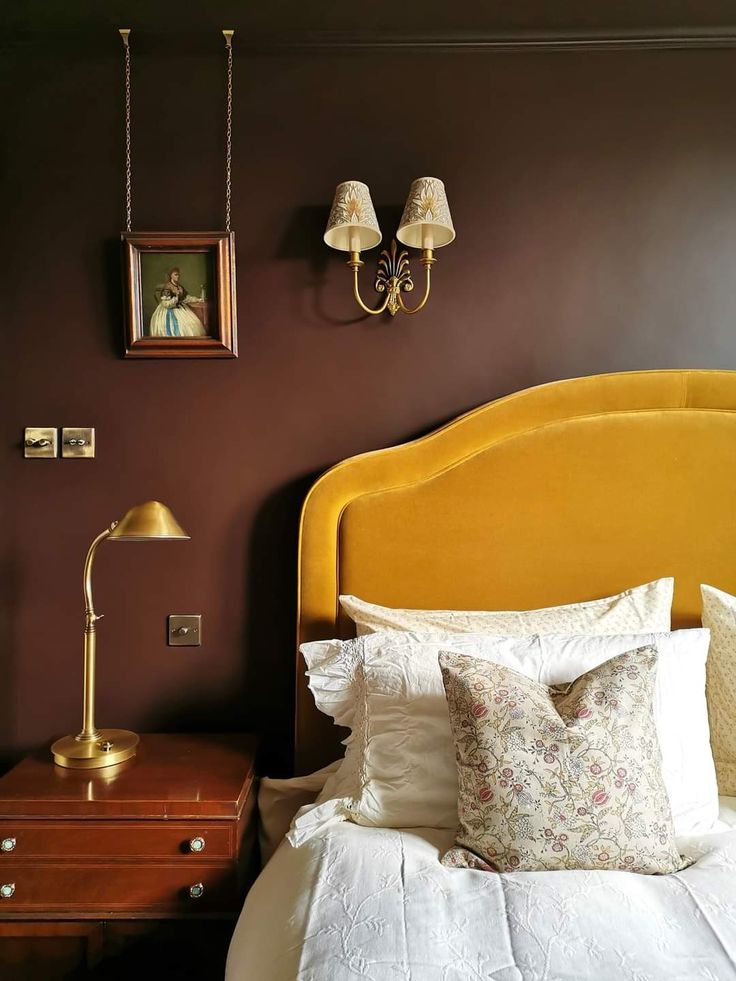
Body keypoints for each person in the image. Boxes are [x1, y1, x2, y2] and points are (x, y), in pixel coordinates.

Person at [149, 268, 207, 337]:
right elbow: (166, 304)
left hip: (180, 308)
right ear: (171, 276)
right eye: (176, 275)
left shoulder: (180, 287)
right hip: (168, 310)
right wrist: (176, 297)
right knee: (179, 326)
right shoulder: (167, 287)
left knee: (193, 323)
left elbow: (186, 298)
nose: (178, 276)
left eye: (178, 275)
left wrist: (198, 299)